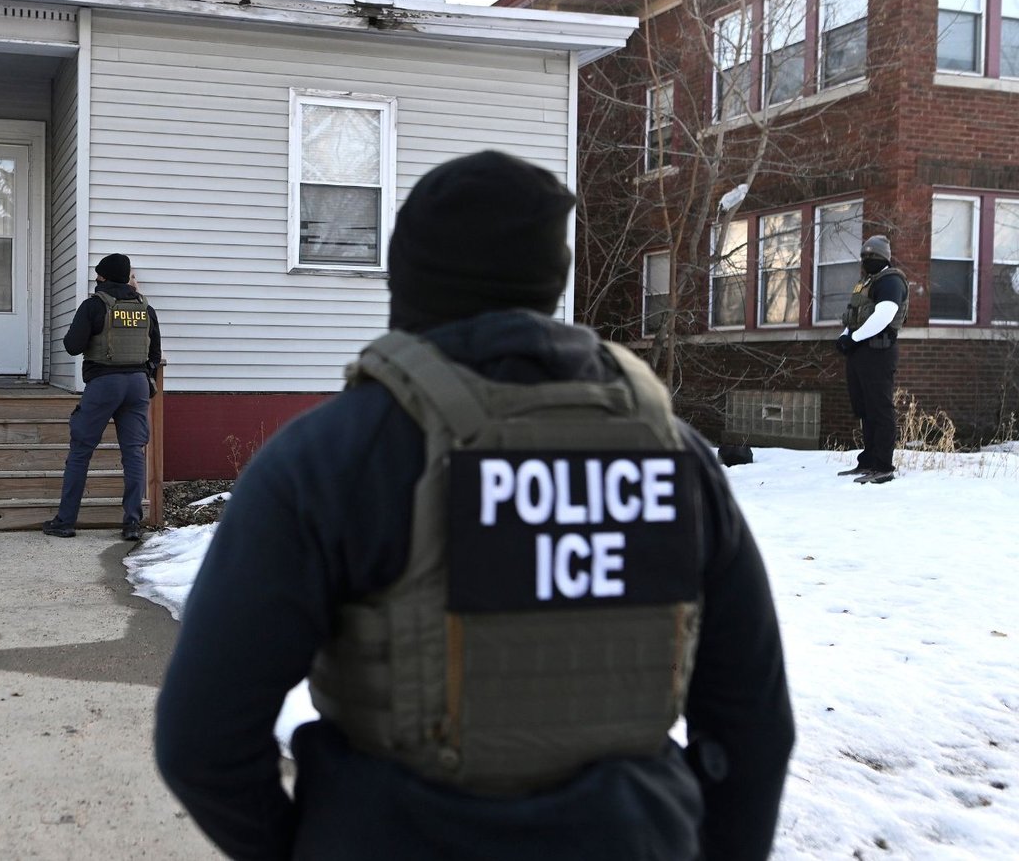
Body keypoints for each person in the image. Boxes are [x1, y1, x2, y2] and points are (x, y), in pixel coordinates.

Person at [154, 151, 794, 860]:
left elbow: (202, 741)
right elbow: (753, 728)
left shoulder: (329, 459)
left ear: (407, 277)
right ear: (551, 277)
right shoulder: (677, 455)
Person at [42, 253, 162, 541]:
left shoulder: (94, 305)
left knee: (81, 451)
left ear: (103, 277)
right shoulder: (145, 308)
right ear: (127, 277)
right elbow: (154, 353)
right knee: (133, 453)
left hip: (104, 383)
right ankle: (132, 524)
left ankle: (65, 521)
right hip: (137, 384)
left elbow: (72, 346)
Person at [836, 234, 907, 484]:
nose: (867, 260)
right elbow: (855, 315)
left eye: (873, 255)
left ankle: (883, 466)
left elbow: (884, 315)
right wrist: (845, 336)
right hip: (860, 351)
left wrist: (854, 338)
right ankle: (868, 461)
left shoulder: (891, 281)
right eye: (864, 256)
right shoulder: (866, 283)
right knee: (865, 408)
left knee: (880, 409)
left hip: (879, 351)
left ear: (884, 257)